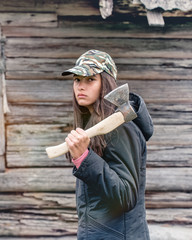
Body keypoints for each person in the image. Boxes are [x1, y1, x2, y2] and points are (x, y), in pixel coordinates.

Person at [62, 49, 153, 239]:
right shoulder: (95, 125)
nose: (81, 86)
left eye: (90, 79)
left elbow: (125, 196)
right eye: (77, 79)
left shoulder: (120, 127)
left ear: (107, 83)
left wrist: (85, 159)